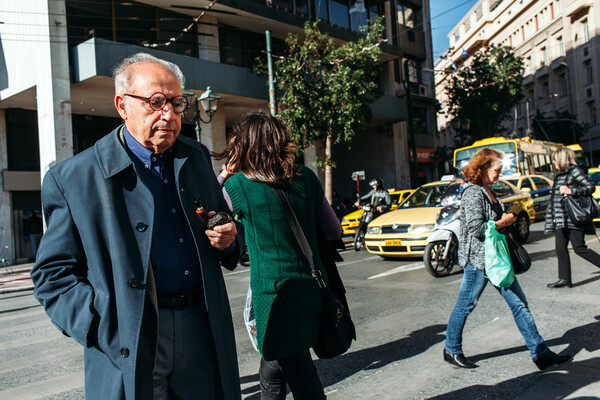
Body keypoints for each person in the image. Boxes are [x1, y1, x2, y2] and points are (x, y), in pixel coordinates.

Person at [30, 53, 243, 400]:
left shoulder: (196, 157)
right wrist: (103, 325)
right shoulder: (73, 179)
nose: (169, 115)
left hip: (199, 326)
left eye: (177, 103)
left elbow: (222, 223)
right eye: (156, 102)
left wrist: (229, 238)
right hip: (130, 335)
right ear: (122, 105)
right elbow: (53, 275)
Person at [214, 111, 342, 399]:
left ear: (242, 146)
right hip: (311, 288)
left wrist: (225, 173)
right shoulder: (306, 177)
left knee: (301, 377)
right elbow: (333, 230)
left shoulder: (238, 187)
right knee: (273, 368)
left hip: (273, 297)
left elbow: (207, 201)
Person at [444, 148, 570, 371]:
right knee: (465, 305)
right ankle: (451, 349)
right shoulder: (473, 192)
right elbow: (475, 228)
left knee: (519, 304)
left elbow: (490, 222)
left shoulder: (488, 190)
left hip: (497, 258)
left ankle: (540, 353)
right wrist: (503, 222)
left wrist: (504, 219)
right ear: (483, 168)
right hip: (479, 261)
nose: (500, 173)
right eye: (497, 169)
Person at [545, 147, 600, 288]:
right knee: (560, 248)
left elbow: (590, 187)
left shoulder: (575, 171)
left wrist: (571, 190)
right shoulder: (562, 174)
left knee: (579, 248)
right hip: (560, 219)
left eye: (555, 159)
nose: (554, 162)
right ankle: (564, 279)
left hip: (573, 218)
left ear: (562, 159)